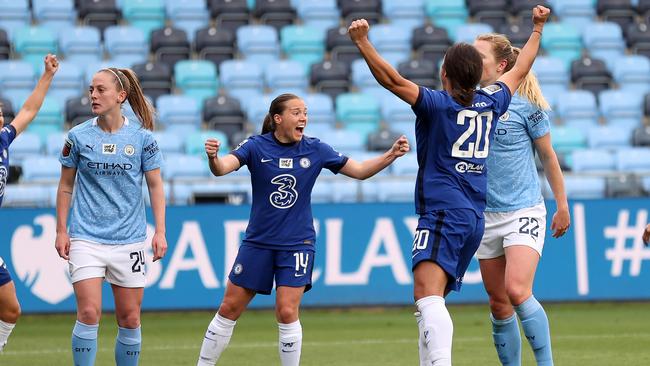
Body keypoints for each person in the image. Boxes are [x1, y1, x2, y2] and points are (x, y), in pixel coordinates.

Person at [348, 5, 551, 366]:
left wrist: (363, 42)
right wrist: (537, 29)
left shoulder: (437, 105)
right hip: (474, 217)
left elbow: (392, 80)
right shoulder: (491, 102)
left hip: (444, 211)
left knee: (427, 296)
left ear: (444, 73)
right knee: (431, 297)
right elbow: (521, 68)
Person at [196, 93, 410, 366]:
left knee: (286, 311)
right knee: (229, 308)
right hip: (258, 243)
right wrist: (213, 158)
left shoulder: (316, 149)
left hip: (297, 243)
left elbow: (358, 171)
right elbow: (223, 168)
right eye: (296, 112)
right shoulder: (255, 146)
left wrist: (390, 155)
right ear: (278, 118)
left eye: (305, 112)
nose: (303, 118)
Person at [55, 67, 167, 366]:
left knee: (129, 319)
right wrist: (61, 230)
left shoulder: (142, 138)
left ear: (121, 96)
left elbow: (155, 186)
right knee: (89, 313)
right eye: (91, 89)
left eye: (100, 89)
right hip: (85, 238)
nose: (93, 95)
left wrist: (160, 232)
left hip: (129, 241)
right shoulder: (78, 136)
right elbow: (66, 186)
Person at [473, 33, 570, 366]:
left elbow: (548, 155)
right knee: (498, 302)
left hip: (523, 209)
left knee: (517, 290)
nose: (472, 61)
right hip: (484, 215)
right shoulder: (465, 101)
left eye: (479, 56)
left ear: (500, 65)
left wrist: (562, 204)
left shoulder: (526, 105)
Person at [0, 54, 59, 352]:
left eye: (0, 113)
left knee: (10, 309)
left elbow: (29, 109)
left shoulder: (3, 140)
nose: (1, 118)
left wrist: (47, 76)